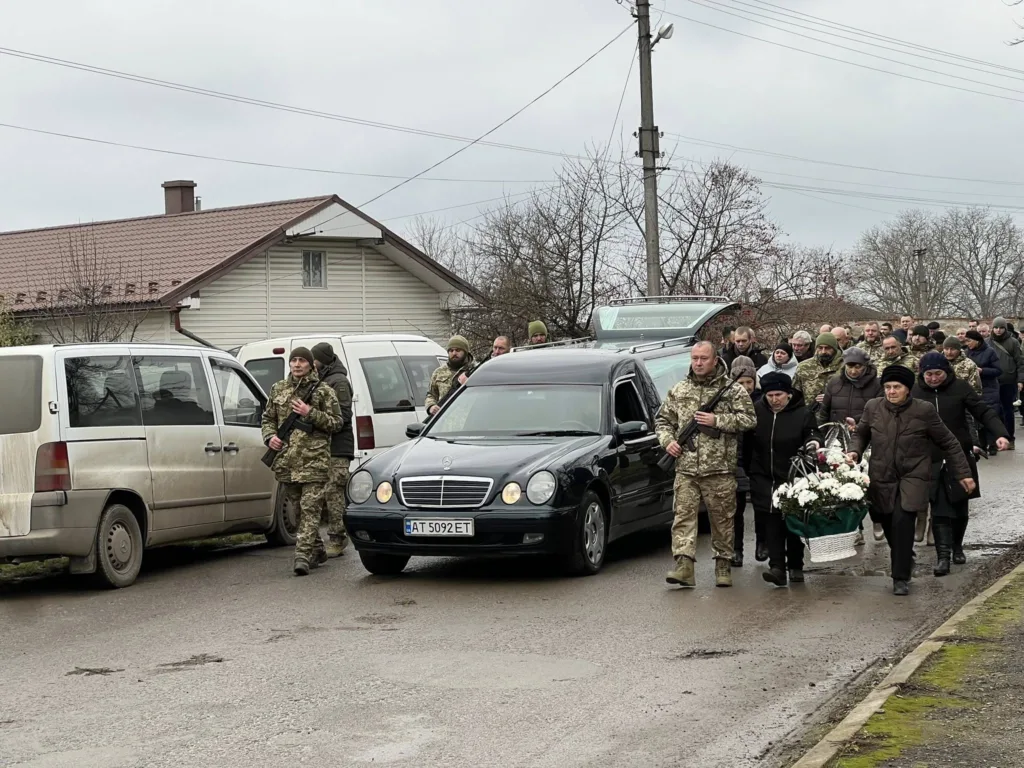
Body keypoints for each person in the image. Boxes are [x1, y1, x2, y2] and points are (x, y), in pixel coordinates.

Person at [848, 364, 974, 596]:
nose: (891, 391)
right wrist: (854, 451)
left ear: (907, 389)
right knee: (885, 519)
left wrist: (963, 474)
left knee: (902, 521)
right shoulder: (873, 407)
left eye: (897, 387)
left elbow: (949, 442)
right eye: (887, 387)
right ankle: (905, 558)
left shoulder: (923, 410)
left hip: (913, 475)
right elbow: (861, 433)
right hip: (881, 475)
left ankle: (900, 578)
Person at [656, 341, 757, 589]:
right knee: (683, 518)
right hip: (687, 468)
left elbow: (750, 419)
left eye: (703, 358)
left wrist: (717, 420)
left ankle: (723, 564)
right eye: (695, 358)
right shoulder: (680, 390)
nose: (698, 363)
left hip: (720, 469)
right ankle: (684, 566)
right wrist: (668, 442)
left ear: (715, 360)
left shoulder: (732, 390)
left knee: (722, 520)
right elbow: (662, 420)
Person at [912, 352, 1009, 576]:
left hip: (959, 454)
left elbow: (983, 411)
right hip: (930, 456)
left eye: (938, 374)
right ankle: (942, 557)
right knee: (938, 508)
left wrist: (1000, 434)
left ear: (947, 372)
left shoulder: (960, 388)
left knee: (960, 506)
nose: (934, 378)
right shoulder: (915, 392)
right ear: (922, 374)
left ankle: (957, 546)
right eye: (929, 374)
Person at [261, 348, 342, 576]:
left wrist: (310, 413)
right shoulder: (278, 389)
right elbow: (268, 418)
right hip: (287, 461)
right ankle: (317, 549)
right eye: (293, 360)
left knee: (310, 508)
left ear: (311, 365)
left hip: (314, 460)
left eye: (302, 361)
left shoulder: (323, 392)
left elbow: (337, 423)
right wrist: (270, 437)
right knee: (297, 509)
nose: (297, 364)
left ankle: (302, 555)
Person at [750, 372, 821, 587]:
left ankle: (796, 565)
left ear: (788, 394)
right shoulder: (756, 411)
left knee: (791, 522)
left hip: (793, 476)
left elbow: (814, 434)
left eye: (778, 394)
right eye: (770, 395)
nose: (774, 399)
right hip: (763, 475)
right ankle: (777, 567)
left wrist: (813, 443)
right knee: (771, 521)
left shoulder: (803, 413)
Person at [311, 342, 356, 558]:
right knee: (321, 493)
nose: (312, 363)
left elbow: (344, 415)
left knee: (333, 493)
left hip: (338, 446)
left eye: (314, 359)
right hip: (322, 446)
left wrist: (317, 418)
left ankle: (338, 538)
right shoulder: (321, 379)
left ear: (323, 360)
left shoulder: (338, 382)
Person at [729, 356, 762, 567]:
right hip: (736, 462)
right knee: (736, 509)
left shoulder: (762, 401)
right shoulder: (726, 402)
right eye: (741, 383)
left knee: (761, 507)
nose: (745, 387)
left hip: (758, 462)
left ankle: (762, 543)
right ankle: (736, 550)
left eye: (748, 382)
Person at [819, 347, 881, 430]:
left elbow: (878, 414)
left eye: (858, 367)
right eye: (849, 367)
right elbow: (824, 413)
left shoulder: (877, 385)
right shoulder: (834, 382)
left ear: (865, 365)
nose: (853, 371)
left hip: (864, 436)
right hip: (837, 436)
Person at [965, 330, 1004, 454]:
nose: (967, 343)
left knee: (988, 415)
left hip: (989, 388)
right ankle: (981, 443)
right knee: (977, 417)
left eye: (969, 341)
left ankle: (992, 444)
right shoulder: (966, 353)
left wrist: (983, 371)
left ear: (977, 340)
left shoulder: (989, 352)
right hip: (973, 388)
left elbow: (998, 370)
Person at [988, 317, 1024, 448]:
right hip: (992, 382)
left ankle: (1010, 438)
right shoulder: (988, 342)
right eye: (996, 327)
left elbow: (1020, 362)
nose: (998, 330)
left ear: (1005, 328)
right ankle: (997, 439)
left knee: (1008, 410)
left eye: (1001, 327)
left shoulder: (1013, 342)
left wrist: (1020, 380)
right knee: (994, 411)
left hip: (1008, 381)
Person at [792, 332, 843, 412]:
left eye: (827, 348)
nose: (823, 351)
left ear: (835, 348)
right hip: (810, 416)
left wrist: (832, 398)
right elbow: (795, 394)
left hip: (837, 415)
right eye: (820, 348)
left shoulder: (844, 366)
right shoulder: (803, 367)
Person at [426, 335, 475, 416]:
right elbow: (431, 394)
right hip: (443, 422)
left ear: (465, 352)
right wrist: (431, 406)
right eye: (451, 350)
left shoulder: (475, 371)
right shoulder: (439, 372)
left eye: (458, 350)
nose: (454, 353)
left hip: (468, 421)